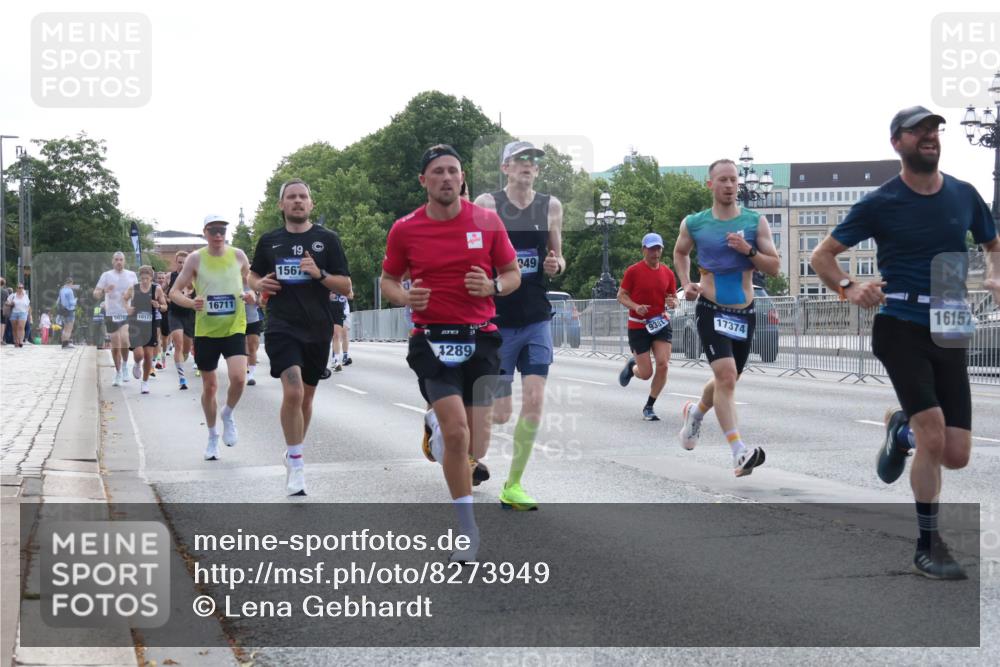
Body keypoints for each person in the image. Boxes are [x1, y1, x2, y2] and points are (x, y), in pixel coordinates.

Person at [811, 105, 1000, 580]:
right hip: (900, 322)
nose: (930, 137)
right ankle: (927, 545)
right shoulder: (881, 202)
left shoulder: (963, 193)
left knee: (955, 454)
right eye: (918, 132)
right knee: (935, 433)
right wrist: (849, 288)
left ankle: (902, 430)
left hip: (951, 320)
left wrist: (994, 275)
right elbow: (823, 255)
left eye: (934, 130)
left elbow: (992, 244)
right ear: (897, 143)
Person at [381, 144, 520, 563]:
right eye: (437, 171)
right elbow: (388, 280)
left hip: (481, 338)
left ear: (463, 179)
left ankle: (434, 427)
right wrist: (405, 296)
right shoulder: (405, 229)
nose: (446, 178)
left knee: (478, 442)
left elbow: (512, 274)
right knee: (457, 434)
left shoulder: (487, 221)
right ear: (424, 181)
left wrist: (493, 287)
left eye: (453, 171)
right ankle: (467, 531)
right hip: (431, 339)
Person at [673, 158, 780, 476]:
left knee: (727, 381)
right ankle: (738, 452)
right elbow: (680, 252)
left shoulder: (754, 221)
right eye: (723, 180)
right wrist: (685, 283)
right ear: (711, 184)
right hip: (710, 307)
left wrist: (748, 250)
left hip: (744, 312)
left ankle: (695, 412)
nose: (730, 185)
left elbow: (773, 267)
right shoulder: (694, 223)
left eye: (734, 180)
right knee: (727, 377)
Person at [473, 140, 564, 510]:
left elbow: (558, 257)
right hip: (496, 318)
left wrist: (556, 266)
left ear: (537, 170)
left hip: (536, 317)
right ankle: (446, 427)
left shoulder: (551, 206)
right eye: (520, 160)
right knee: (499, 413)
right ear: (506, 168)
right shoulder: (487, 205)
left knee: (535, 401)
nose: (528, 165)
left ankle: (514, 484)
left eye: (533, 161)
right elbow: (472, 252)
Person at [249, 179, 352, 495]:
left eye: (303, 196)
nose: (297, 201)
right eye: (291, 197)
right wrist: (259, 284)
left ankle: (293, 449)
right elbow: (253, 275)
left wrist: (318, 274)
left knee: (306, 397)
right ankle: (297, 465)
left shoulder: (327, 240)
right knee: (292, 392)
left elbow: (345, 286)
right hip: (282, 326)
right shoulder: (269, 241)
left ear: (311, 204)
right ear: (281, 205)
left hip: (318, 328)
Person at [171, 215, 255, 461]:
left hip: (234, 327)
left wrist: (251, 296)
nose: (218, 235)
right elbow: (175, 292)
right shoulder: (196, 258)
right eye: (213, 230)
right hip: (206, 330)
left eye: (222, 230)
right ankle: (212, 436)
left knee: (239, 379)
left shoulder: (239, 255)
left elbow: (249, 284)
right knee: (210, 387)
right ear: (205, 233)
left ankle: (227, 414)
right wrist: (191, 302)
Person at [617, 232, 679, 421]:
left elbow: (673, 298)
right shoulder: (633, 271)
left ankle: (649, 406)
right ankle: (633, 366)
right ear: (644, 249)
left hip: (660, 323)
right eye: (651, 248)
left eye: (658, 248)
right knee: (646, 374)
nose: (655, 252)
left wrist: (672, 303)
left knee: (663, 364)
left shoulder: (667, 273)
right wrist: (636, 307)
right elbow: (621, 295)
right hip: (638, 326)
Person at [94, 251, 138, 384]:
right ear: (113, 261)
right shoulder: (106, 275)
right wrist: (103, 291)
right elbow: (95, 293)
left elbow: (137, 293)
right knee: (115, 344)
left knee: (125, 340)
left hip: (126, 312)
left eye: (121, 260)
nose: (119, 262)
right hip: (111, 313)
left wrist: (132, 298)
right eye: (116, 259)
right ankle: (118, 372)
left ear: (124, 261)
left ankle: (125, 366)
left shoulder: (131, 275)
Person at [128, 266, 168, 394]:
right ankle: (136, 364)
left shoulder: (157, 289)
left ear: (151, 278)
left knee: (148, 356)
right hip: (136, 325)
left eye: (147, 278)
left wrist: (159, 305)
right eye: (142, 278)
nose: (145, 281)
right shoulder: (133, 288)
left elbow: (165, 307)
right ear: (140, 277)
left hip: (150, 325)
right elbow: (123, 299)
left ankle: (144, 383)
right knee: (139, 354)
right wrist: (127, 308)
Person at [167, 251, 196, 390]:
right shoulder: (170, 277)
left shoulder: (194, 278)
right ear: (176, 262)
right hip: (174, 313)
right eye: (180, 262)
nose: (182, 265)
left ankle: (182, 362)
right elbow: (161, 293)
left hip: (189, 315)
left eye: (185, 262)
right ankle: (182, 379)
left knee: (185, 348)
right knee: (178, 343)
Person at [244, 284, 262, 386]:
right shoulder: (234, 281)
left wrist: (256, 296)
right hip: (237, 321)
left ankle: (251, 375)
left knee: (252, 347)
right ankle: (242, 371)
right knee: (242, 347)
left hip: (253, 319)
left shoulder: (254, 284)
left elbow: (261, 303)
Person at [5, 283, 30, 347]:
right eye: (19, 287)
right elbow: (6, 303)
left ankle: (21, 341)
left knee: (21, 327)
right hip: (14, 313)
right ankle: (16, 341)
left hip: (23, 313)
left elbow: (28, 305)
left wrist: (29, 314)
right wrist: (10, 304)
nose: (20, 289)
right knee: (14, 328)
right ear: (17, 288)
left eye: (22, 288)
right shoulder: (13, 295)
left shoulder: (25, 296)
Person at [328, 290, 347, 372]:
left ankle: (336, 361)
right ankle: (321, 361)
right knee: (325, 337)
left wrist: (345, 293)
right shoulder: (326, 277)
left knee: (336, 335)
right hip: (326, 310)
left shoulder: (343, 279)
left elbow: (350, 294)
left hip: (339, 310)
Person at [57, 277, 78, 349]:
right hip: (70, 310)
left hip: (63, 311)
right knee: (69, 328)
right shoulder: (69, 290)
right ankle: (66, 343)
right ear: (71, 283)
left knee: (65, 328)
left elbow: (58, 301)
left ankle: (63, 343)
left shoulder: (62, 290)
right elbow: (72, 302)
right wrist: (76, 300)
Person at [0, 277, 10, 345]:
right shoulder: (5, 291)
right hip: (3, 309)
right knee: (2, 324)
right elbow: (7, 301)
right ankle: (1, 338)